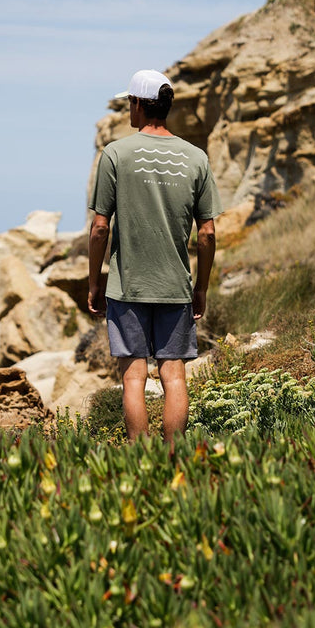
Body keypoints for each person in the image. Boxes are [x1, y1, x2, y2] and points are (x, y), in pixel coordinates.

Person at [88, 68, 222, 446]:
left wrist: (95, 282)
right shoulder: (196, 158)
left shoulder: (115, 154)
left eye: (129, 102)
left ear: (139, 104)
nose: (128, 109)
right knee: (174, 375)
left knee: (133, 376)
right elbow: (208, 233)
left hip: (127, 285)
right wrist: (201, 288)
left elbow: (100, 228)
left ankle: (139, 462)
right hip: (175, 287)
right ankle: (172, 461)